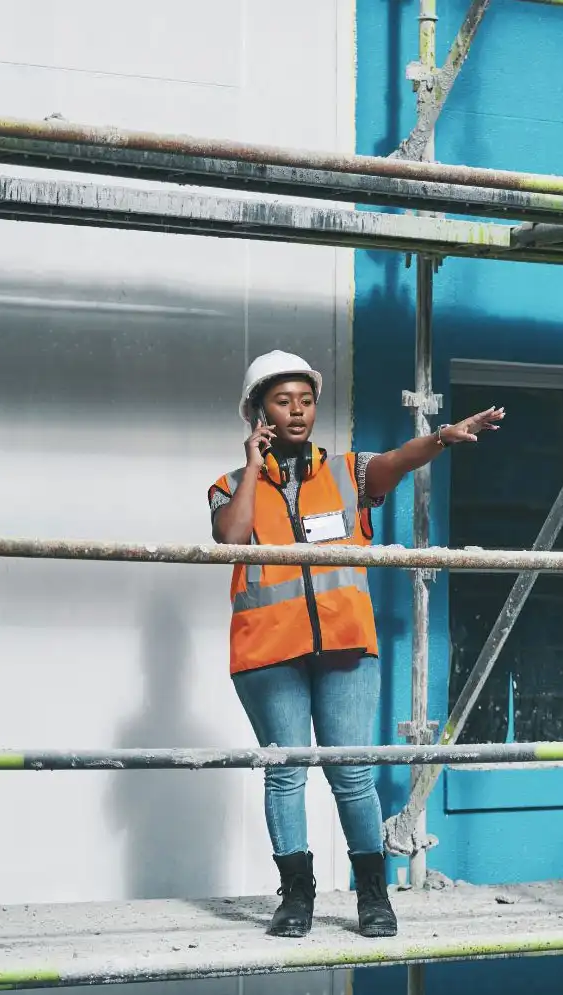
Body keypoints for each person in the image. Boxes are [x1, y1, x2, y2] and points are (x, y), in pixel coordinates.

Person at [208, 350, 503, 939]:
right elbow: (231, 538)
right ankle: (295, 898)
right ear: (256, 412)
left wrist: (440, 438)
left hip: (344, 650)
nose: (297, 411)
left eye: (306, 400)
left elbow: (396, 462)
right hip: (268, 655)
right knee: (286, 771)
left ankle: (373, 894)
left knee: (351, 773)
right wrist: (252, 464)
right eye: (282, 401)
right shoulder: (230, 485)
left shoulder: (347, 471)